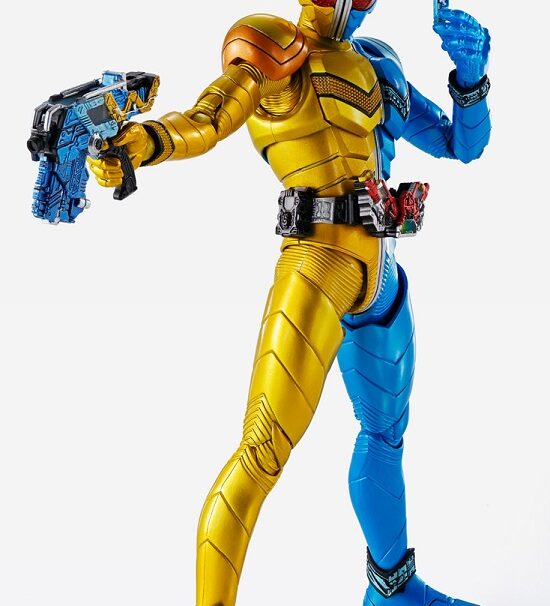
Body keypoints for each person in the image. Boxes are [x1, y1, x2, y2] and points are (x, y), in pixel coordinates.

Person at [87, 1, 491, 604]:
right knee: (260, 454)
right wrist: (144, 142)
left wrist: (471, 80)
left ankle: (393, 590)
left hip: (381, 274)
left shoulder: (378, 64)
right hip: (316, 267)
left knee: (385, 433)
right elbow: (208, 118)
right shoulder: (275, 49)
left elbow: (463, 144)